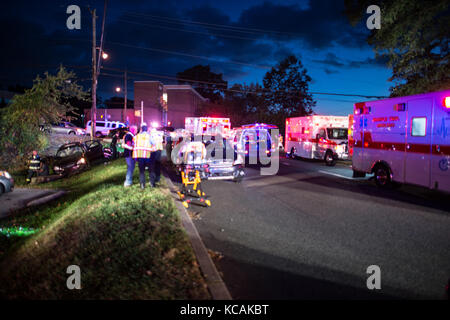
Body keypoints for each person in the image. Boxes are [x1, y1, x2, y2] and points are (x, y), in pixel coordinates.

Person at [132, 123, 155, 189]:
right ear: (147, 129)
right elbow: (154, 143)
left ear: (141, 129)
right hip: (147, 156)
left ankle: (142, 185)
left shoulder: (136, 136)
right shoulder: (149, 136)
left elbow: (133, 144)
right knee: (151, 170)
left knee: (141, 171)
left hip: (140, 156)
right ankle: (152, 184)